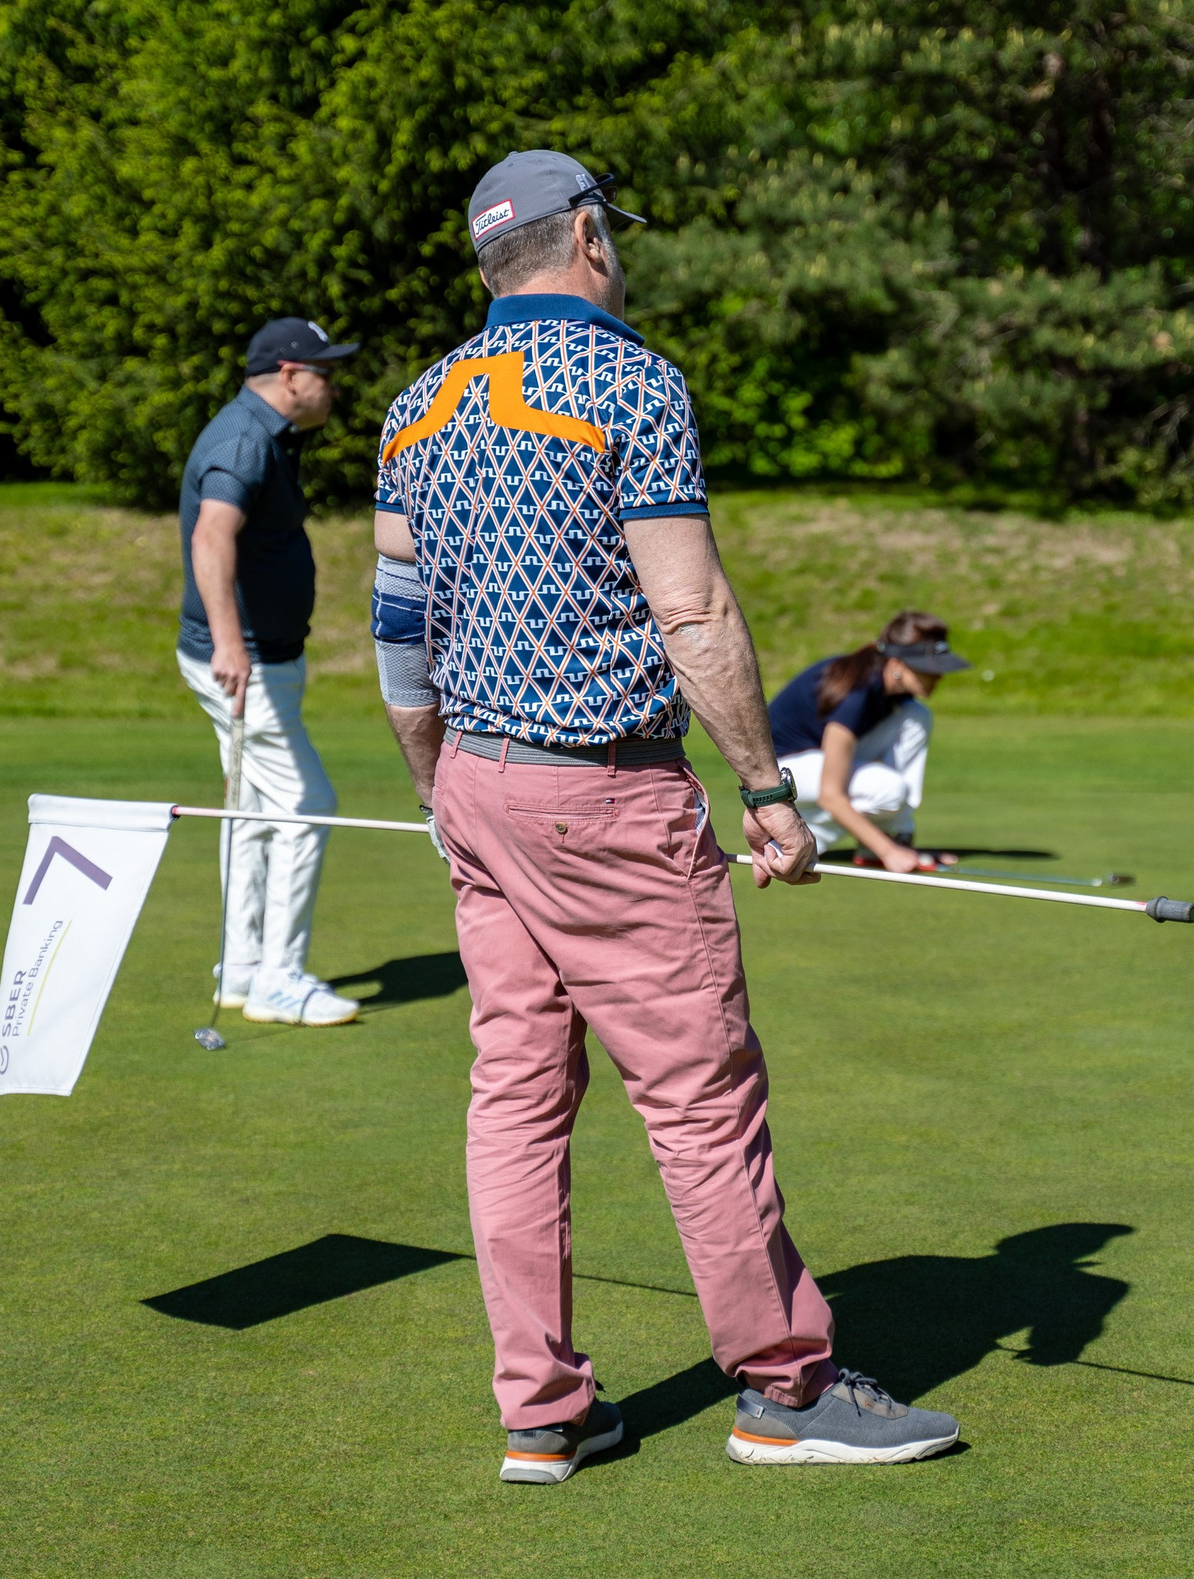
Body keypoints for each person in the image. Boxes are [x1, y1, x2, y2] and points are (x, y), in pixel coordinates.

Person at [371, 149, 959, 1484]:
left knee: (515, 1098)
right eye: (613, 234)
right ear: (587, 237)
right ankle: (786, 1388)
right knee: (699, 1095)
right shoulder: (629, 380)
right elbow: (688, 607)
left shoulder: (415, 407)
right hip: (607, 791)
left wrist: (434, 786)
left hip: (475, 782)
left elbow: (400, 637)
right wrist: (768, 789)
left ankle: (544, 1409)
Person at [175, 316, 363, 1028]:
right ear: (288, 375)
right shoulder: (245, 439)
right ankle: (278, 980)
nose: (333, 386)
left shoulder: (266, 435)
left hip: (259, 659)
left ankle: (243, 965)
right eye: (325, 372)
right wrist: (231, 644)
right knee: (307, 800)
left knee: (252, 809)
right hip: (244, 665)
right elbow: (211, 535)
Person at [767, 612, 970, 872]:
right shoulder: (856, 694)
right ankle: (789, 842)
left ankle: (891, 835)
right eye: (928, 668)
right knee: (889, 791)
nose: (939, 675)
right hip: (779, 771)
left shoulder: (891, 689)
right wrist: (889, 852)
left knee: (917, 716)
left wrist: (901, 844)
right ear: (896, 664)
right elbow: (831, 795)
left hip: (818, 756)